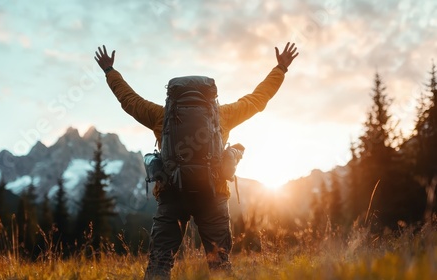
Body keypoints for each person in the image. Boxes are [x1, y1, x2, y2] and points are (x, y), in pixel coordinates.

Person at [94, 42, 299, 279]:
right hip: (213, 196)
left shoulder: (162, 116)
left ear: (171, 97)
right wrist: (280, 69)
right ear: (212, 98)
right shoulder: (223, 115)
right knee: (220, 266)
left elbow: (129, 100)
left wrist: (110, 72)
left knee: (159, 264)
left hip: (172, 195)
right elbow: (257, 99)